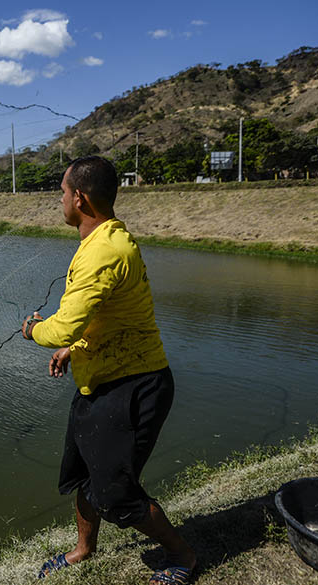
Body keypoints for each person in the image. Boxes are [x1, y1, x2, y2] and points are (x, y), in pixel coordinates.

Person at [22, 156, 196, 585]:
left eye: (63, 193)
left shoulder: (104, 251)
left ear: (79, 198)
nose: (60, 200)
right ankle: (84, 549)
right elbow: (105, 317)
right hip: (98, 381)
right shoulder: (104, 239)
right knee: (83, 476)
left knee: (114, 493)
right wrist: (75, 349)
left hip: (134, 387)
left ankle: (182, 557)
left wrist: (35, 331)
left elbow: (65, 323)